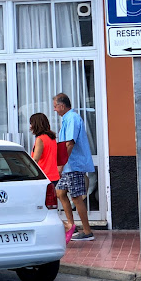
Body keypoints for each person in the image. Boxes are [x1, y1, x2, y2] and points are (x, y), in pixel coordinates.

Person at [53, 93, 96, 242]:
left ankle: (87, 231)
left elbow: (69, 143)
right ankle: (72, 226)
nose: (55, 110)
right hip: (69, 166)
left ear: (62, 106)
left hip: (73, 165)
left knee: (76, 197)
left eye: (55, 106)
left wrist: (61, 164)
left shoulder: (72, 118)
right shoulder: (68, 119)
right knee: (60, 193)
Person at [29, 113, 59, 184]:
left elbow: (35, 159)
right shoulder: (52, 138)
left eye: (31, 123)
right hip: (54, 175)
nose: (30, 126)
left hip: (43, 175)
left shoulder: (40, 139)